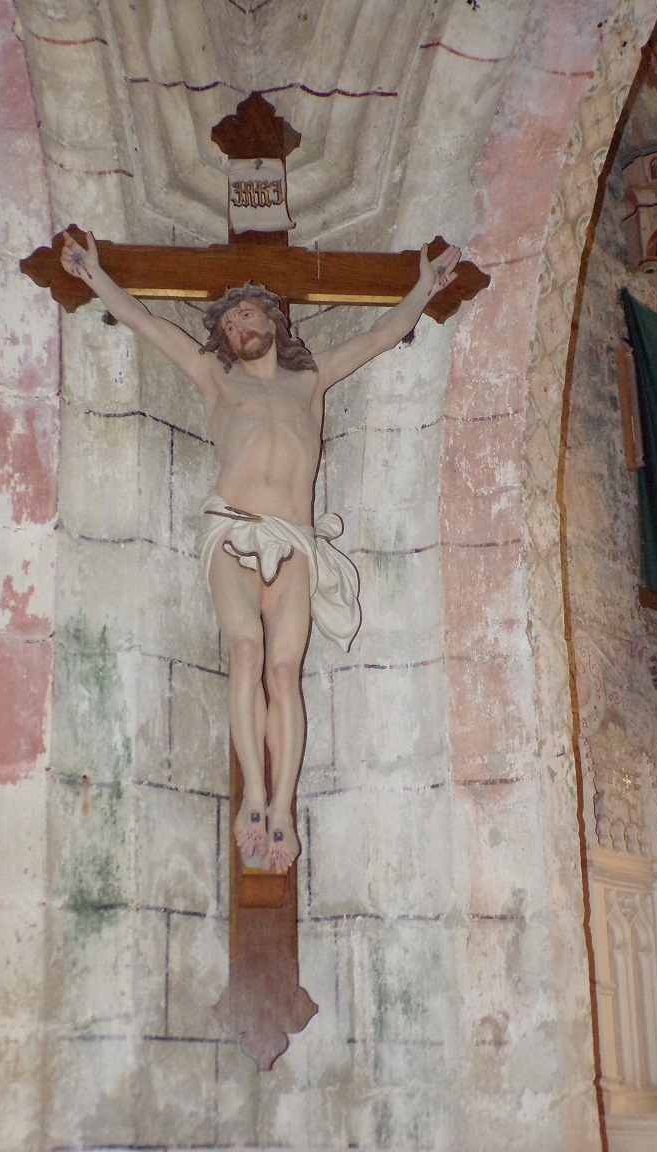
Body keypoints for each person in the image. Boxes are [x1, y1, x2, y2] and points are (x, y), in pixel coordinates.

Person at [60, 229, 460, 873]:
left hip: (294, 543)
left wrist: (424, 284)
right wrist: (94, 275)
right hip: (231, 532)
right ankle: (252, 789)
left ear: (275, 321)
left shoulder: (313, 380)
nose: (240, 323)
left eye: (249, 312)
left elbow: (384, 333)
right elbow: (143, 321)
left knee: (283, 674)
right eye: (230, 319)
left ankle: (282, 806)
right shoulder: (215, 378)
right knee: (246, 650)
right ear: (221, 337)